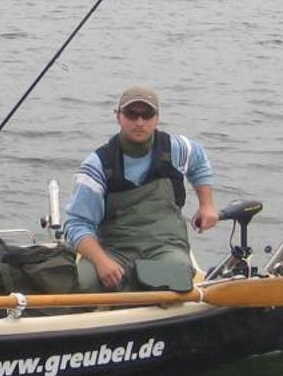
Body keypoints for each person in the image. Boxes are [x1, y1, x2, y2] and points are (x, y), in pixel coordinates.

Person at [63, 85, 220, 293]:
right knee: (83, 284)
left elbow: (199, 161)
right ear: (118, 117)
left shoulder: (175, 148)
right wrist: (101, 262)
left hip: (165, 247)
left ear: (157, 118)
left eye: (147, 115)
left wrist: (207, 205)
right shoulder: (98, 164)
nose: (139, 122)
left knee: (174, 279)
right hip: (114, 250)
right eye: (131, 114)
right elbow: (76, 225)